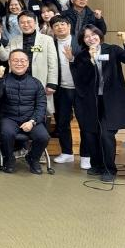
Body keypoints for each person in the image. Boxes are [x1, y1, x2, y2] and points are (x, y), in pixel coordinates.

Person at [70, 27, 125, 183]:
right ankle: (97, 165)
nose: (91, 38)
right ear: (83, 40)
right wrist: (91, 61)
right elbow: (79, 79)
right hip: (91, 101)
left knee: (106, 134)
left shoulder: (112, 50)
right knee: (91, 134)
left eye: (93, 34)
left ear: (99, 35)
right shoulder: (82, 56)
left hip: (111, 100)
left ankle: (109, 169)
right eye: (86, 36)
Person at [0, 50, 50, 174]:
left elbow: (41, 105)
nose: (19, 63)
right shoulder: (3, 79)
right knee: (7, 133)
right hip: (9, 117)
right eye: (15, 60)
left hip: (30, 118)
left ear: (28, 63)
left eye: (22, 61)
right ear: (9, 63)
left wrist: (32, 121)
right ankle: (9, 159)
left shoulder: (36, 83)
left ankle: (33, 158)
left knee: (43, 137)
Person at [0, 10, 58, 115]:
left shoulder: (47, 40)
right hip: (17, 82)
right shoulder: (14, 40)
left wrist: (52, 83)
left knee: (41, 111)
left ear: (35, 22)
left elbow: (53, 63)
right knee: (18, 110)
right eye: (22, 22)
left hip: (39, 81)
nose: (26, 25)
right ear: (19, 24)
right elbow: (4, 57)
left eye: (29, 22)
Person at [49, 15, 86, 167]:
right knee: (62, 122)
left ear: (69, 26)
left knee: (84, 122)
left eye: (63, 24)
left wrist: (72, 59)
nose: (60, 27)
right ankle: (67, 153)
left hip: (80, 89)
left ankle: (86, 155)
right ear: (52, 29)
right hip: (61, 89)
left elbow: (88, 63)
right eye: (56, 25)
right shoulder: (50, 43)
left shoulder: (81, 42)